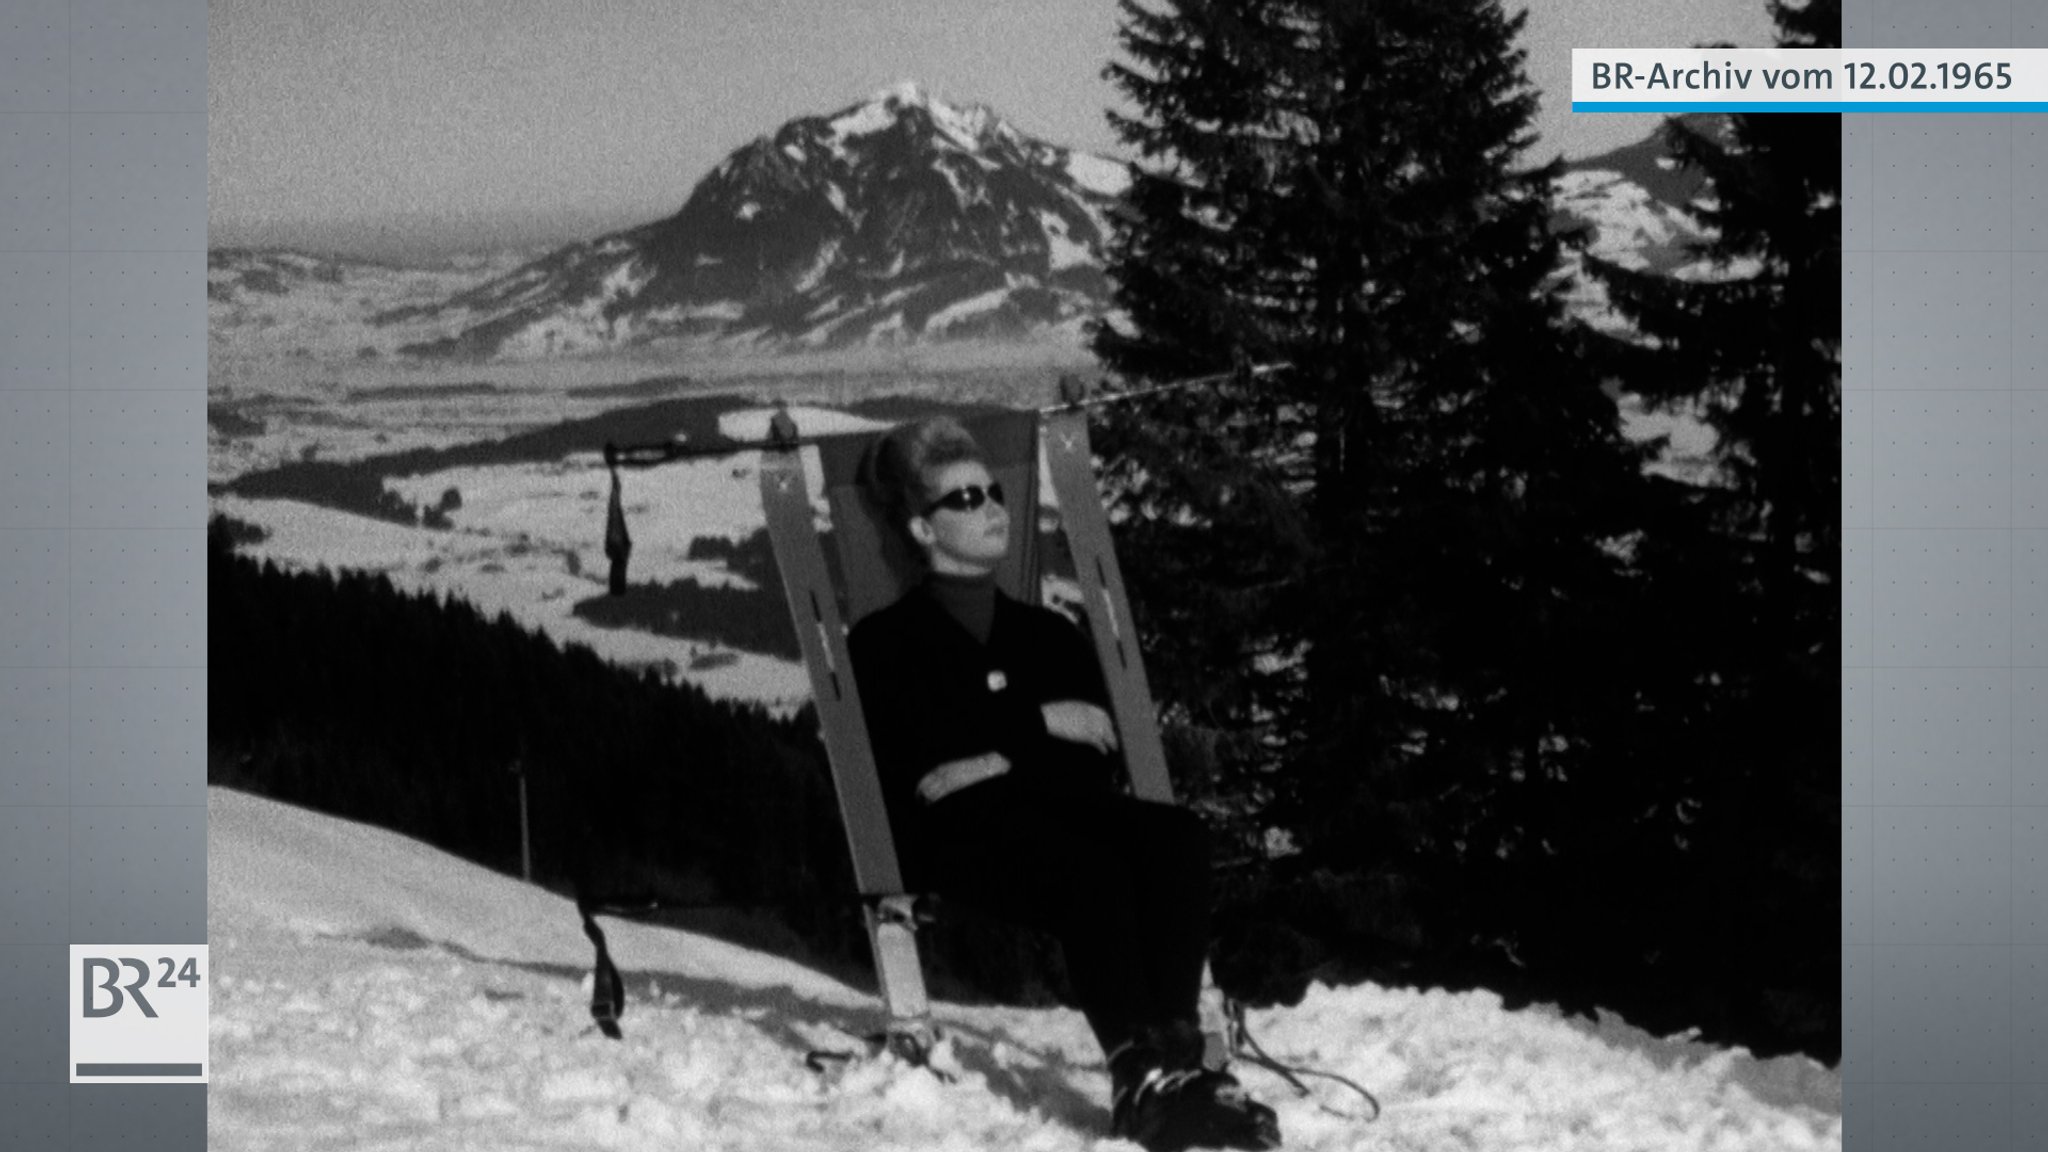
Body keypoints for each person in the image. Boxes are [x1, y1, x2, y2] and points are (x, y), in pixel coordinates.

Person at [847, 416, 1281, 1152]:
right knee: (1094, 869)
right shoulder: (886, 642)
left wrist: (994, 749)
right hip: (962, 842)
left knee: (1176, 836)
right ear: (921, 529)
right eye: (964, 499)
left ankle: (1172, 1058)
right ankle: (1139, 1075)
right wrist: (1041, 722)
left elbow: (1091, 752)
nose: (990, 509)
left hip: (1054, 809)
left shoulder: (1047, 636)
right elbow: (921, 765)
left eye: (992, 493)